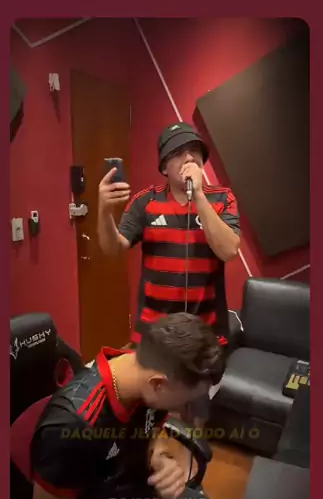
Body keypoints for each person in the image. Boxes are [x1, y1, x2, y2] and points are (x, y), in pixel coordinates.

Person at [31, 313, 234, 499]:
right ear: (158, 384)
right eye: (186, 402)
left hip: (140, 496)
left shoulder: (145, 373)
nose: (185, 411)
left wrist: (160, 456)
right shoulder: (73, 425)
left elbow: (152, 432)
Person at [97, 122, 241, 350]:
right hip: (154, 332)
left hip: (207, 331)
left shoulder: (223, 198)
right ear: (164, 167)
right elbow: (113, 249)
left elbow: (229, 251)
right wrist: (104, 211)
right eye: (178, 152)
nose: (189, 158)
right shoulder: (145, 202)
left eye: (194, 150)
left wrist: (199, 195)